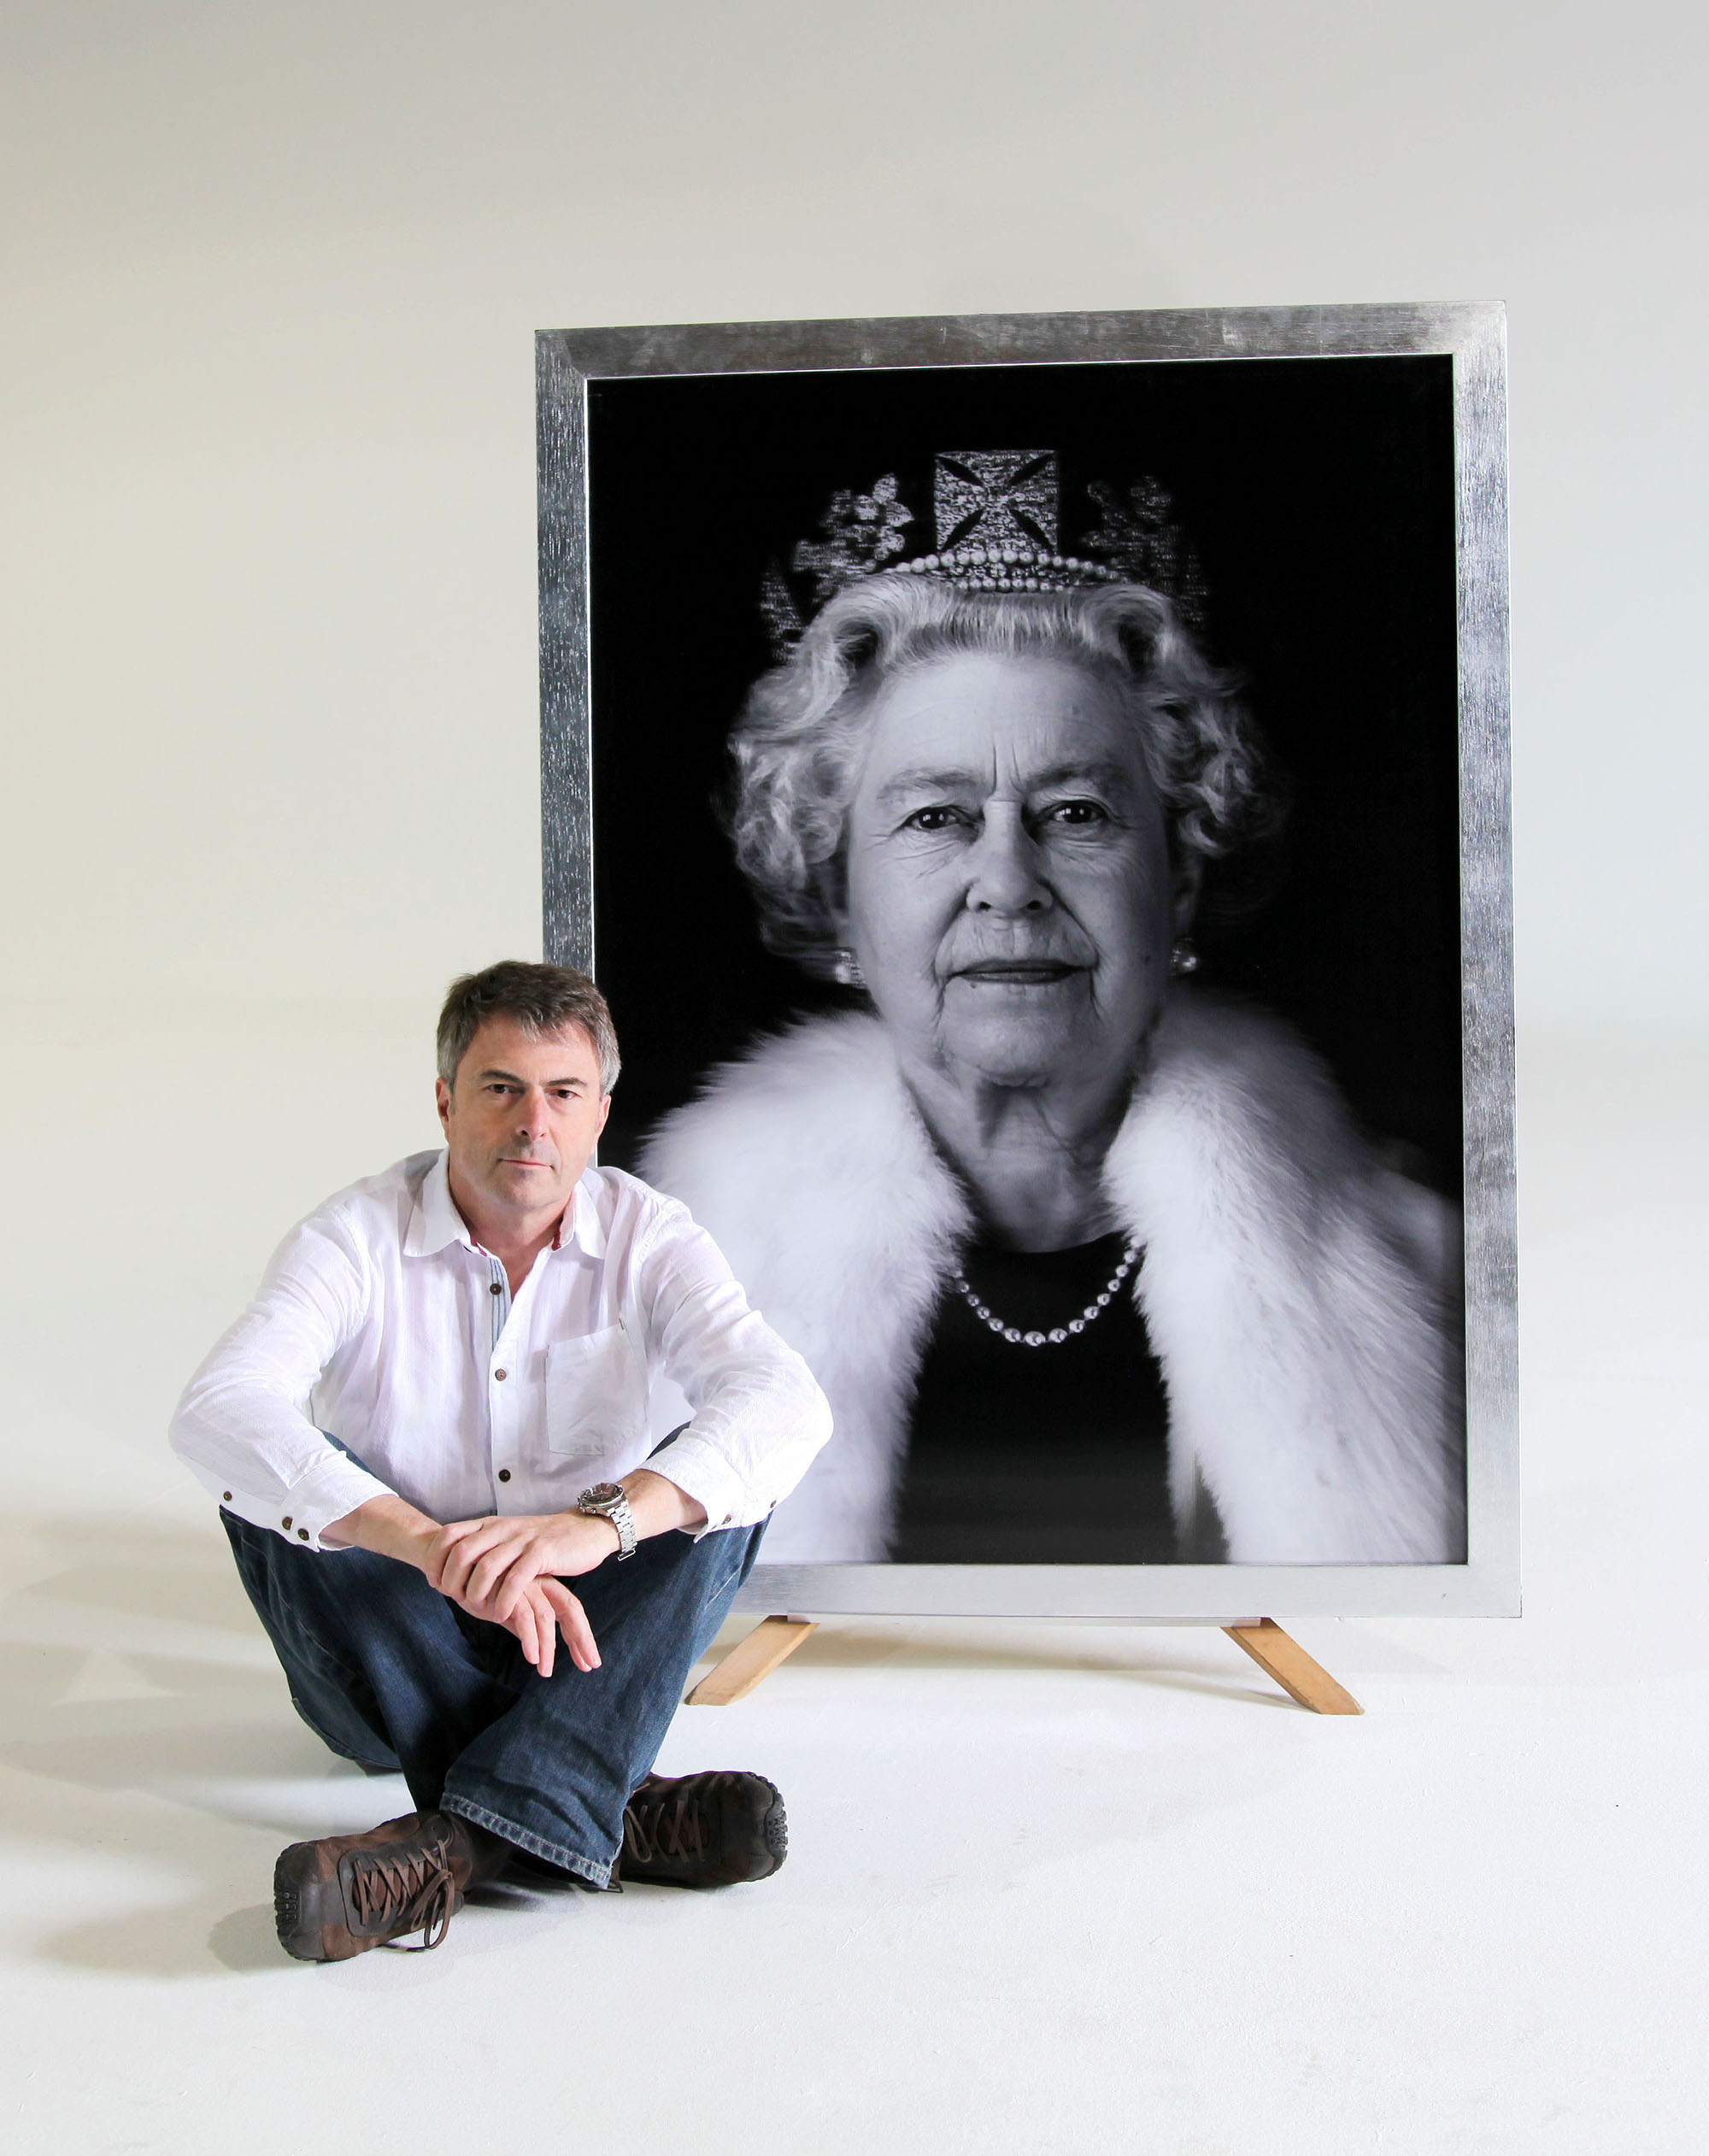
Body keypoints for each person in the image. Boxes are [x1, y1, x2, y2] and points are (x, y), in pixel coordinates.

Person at [641, 451, 1465, 1569]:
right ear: (837, 891)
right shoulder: (658, 1285)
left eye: (1076, 809)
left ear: (1177, 875)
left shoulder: (1427, 1279)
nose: (1009, 880)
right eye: (935, 817)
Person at [170, 961, 831, 1960]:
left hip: (572, 1636)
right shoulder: (354, 1234)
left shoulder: (648, 1232)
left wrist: (593, 1526)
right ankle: (608, 1804)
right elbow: (218, 1408)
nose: (534, 1123)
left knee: (716, 1486)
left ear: (599, 1112)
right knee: (288, 1482)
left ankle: (453, 1849)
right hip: (386, 1647)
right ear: (444, 1101)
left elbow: (784, 1400)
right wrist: (431, 1547)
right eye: (500, 1089)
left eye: (563, 1093)